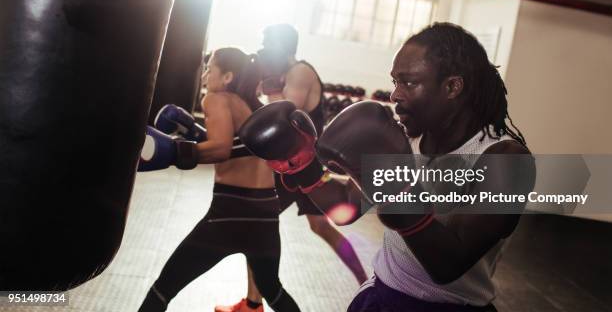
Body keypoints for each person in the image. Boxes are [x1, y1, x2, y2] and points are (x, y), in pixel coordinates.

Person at [335, 23, 535, 311]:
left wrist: (400, 194)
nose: (395, 95)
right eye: (395, 82)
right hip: (381, 298)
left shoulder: (505, 160)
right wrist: (297, 163)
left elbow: (448, 264)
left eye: (409, 82)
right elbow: (345, 207)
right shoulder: (411, 139)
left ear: (452, 86)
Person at [216, 24, 367, 312]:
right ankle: (253, 303)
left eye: (267, 43)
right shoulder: (284, 74)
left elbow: (282, 118)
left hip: (305, 166)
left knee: (262, 224)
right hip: (292, 165)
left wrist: (266, 87)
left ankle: (365, 281)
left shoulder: (300, 73)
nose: (262, 49)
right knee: (316, 226)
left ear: (281, 46)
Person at [137, 48, 301, 312]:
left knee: (164, 287)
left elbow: (221, 149)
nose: (204, 76)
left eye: (209, 69)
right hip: (265, 215)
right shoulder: (251, 106)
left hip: (230, 214)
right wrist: (193, 132)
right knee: (273, 290)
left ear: (227, 77)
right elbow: (234, 147)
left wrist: (173, 152)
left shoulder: (216, 99)